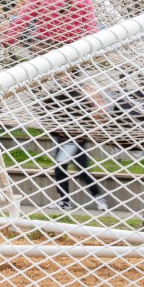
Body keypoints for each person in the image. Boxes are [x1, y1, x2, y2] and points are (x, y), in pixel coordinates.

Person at [41, 73, 109, 212]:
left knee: (81, 171)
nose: (64, 78)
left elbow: (94, 112)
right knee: (61, 170)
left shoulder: (82, 92)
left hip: (77, 138)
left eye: (67, 76)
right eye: (62, 76)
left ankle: (97, 198)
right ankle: (65, 201)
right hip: (64, 137)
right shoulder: (59, 92)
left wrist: (88, 132)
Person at [3, 0, 98, 57]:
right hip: (71, 48)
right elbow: (90, 27)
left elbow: (22, 19)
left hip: (44, 45)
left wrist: (9, 39)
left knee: (29, 32)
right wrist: (96, 48)